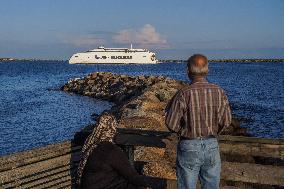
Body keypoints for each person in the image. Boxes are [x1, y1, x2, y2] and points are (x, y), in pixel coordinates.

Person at [165, 54, 232, 189]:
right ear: (207, 70)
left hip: (188, 144)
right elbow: (226, 121)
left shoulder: (183, 93)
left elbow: (171, 124)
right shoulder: (219, 91)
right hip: (211, 143)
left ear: (188, 71)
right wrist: (214, 131)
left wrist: (183, 129)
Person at [76, 113, 165, 189]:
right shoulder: (110, 150)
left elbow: (77, 136)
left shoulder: (91, 143)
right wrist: (163, 183)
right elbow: (134, 177)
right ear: (113, 128)